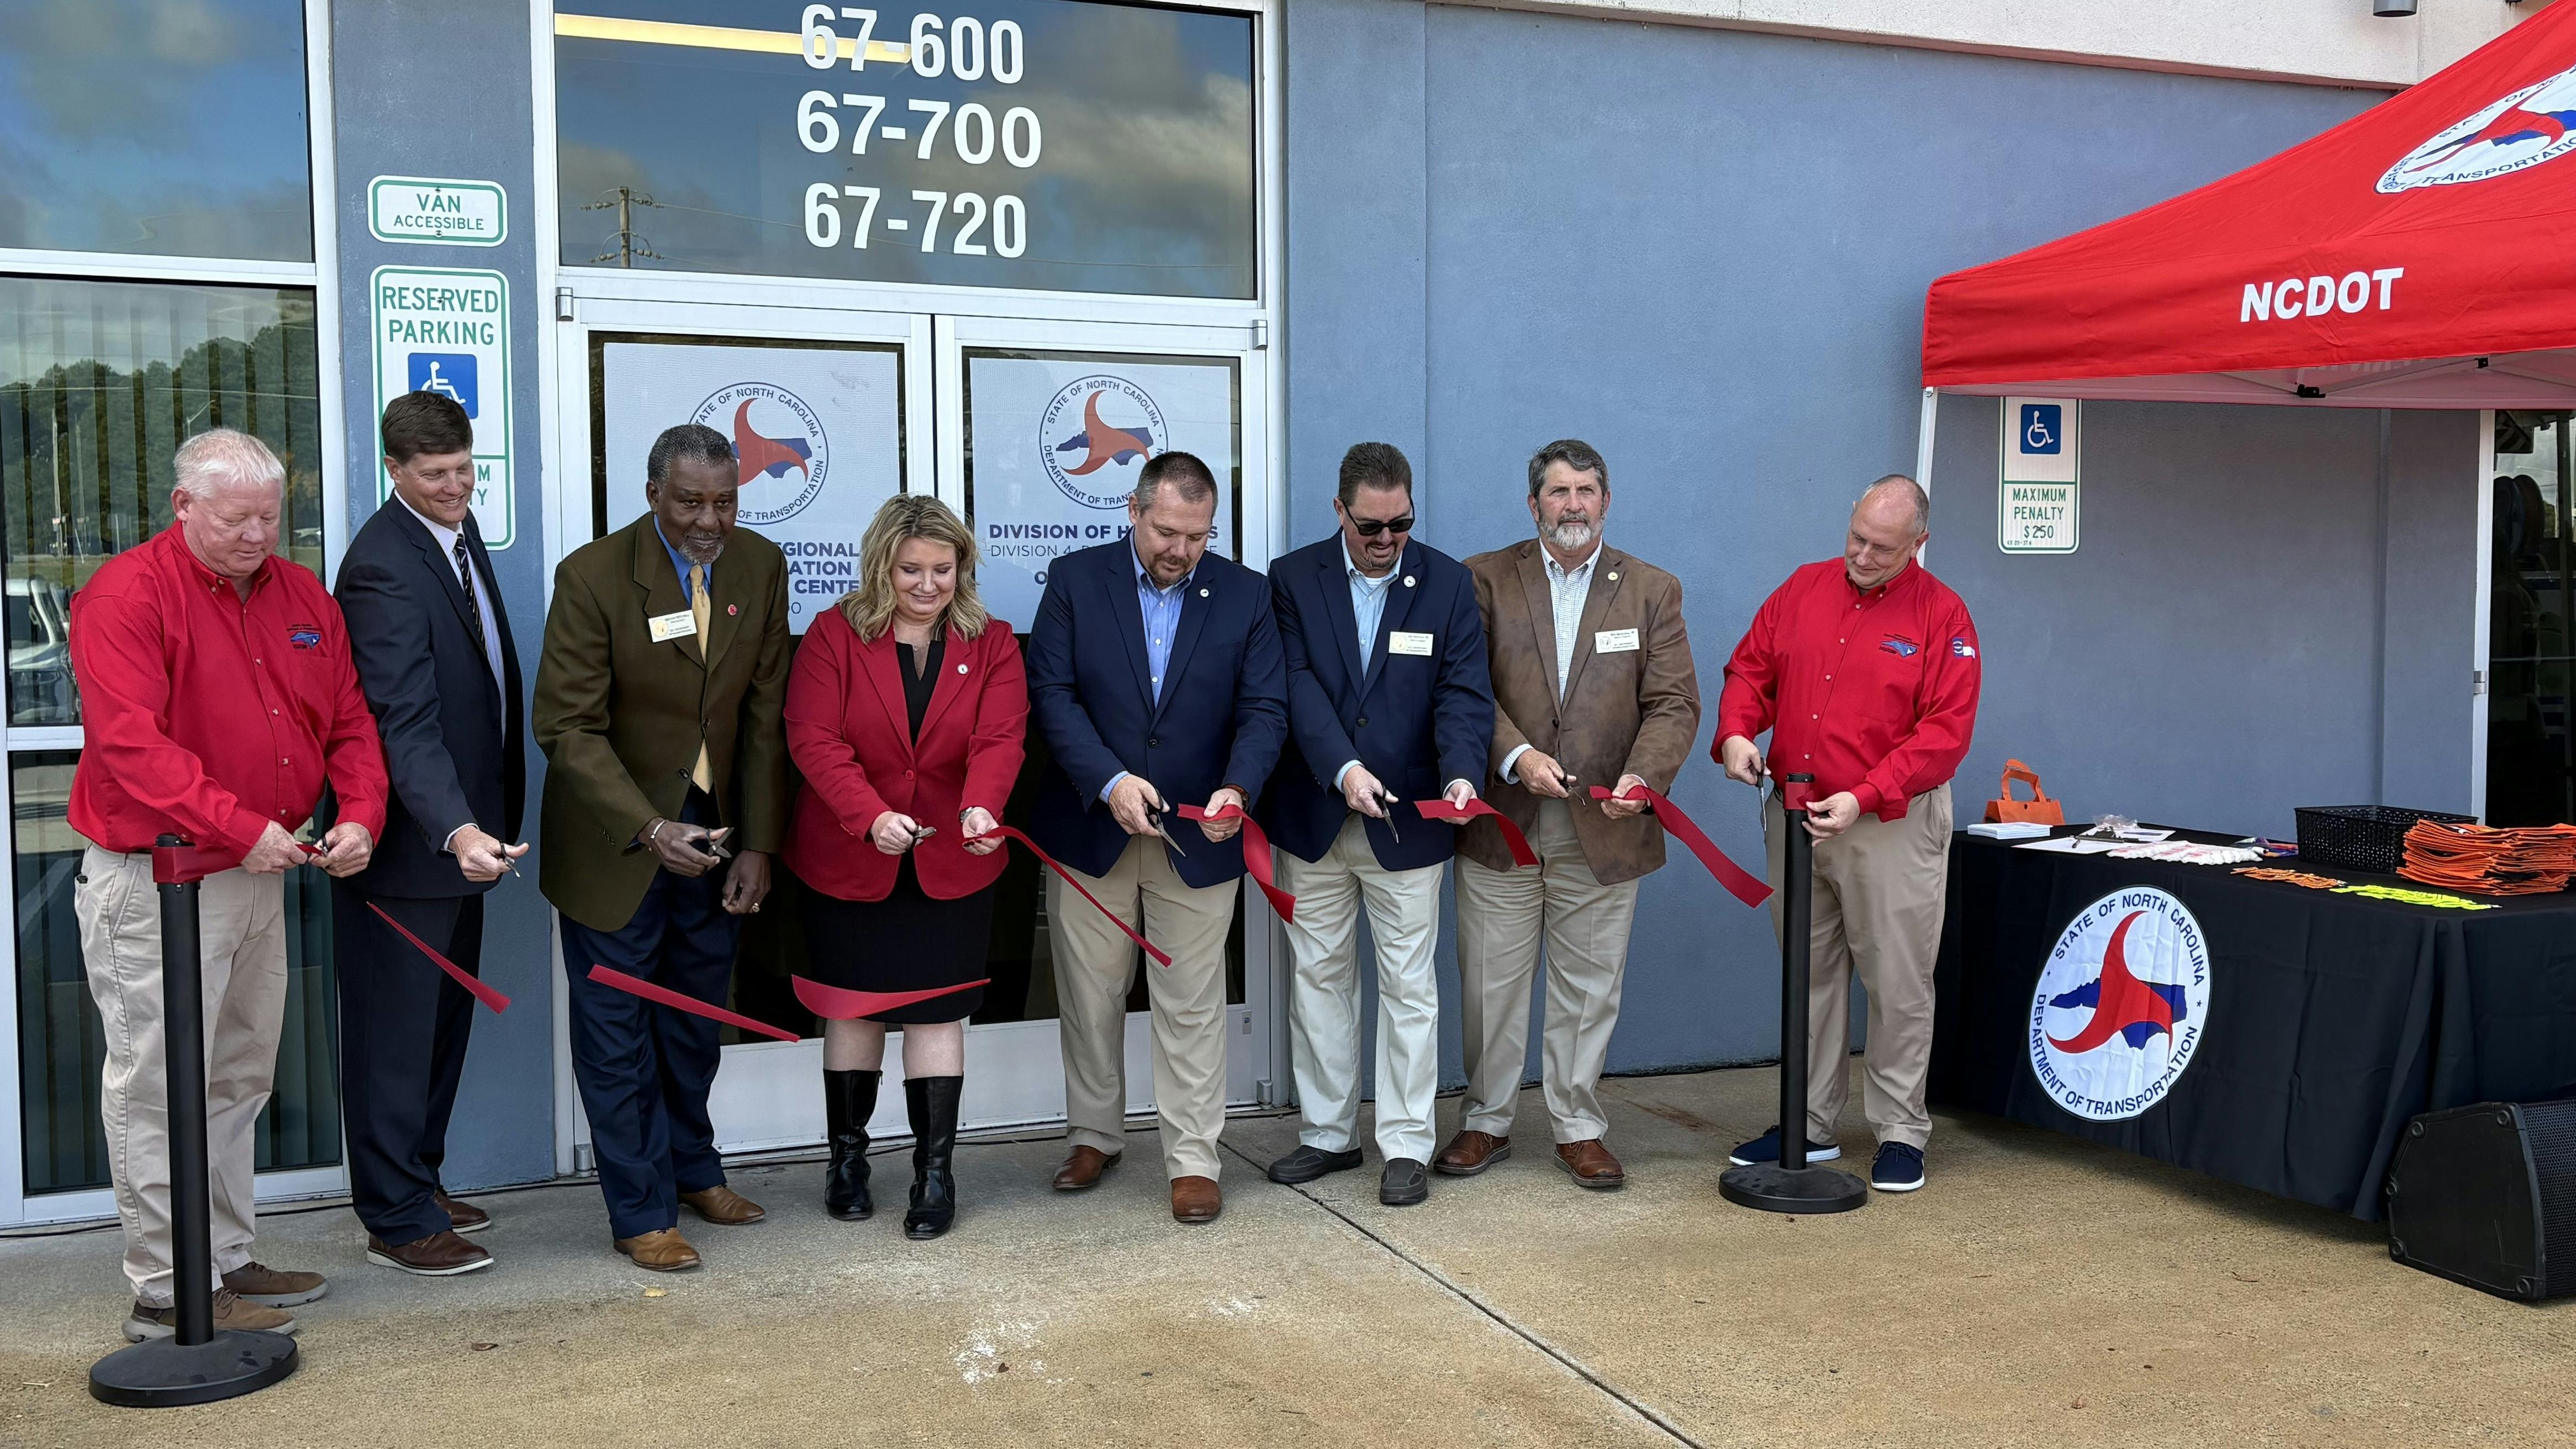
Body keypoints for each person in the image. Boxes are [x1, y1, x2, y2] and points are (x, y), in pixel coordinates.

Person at [67, 429, 387, 1342]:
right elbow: (131, 747)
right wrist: (240, 826)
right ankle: (169, 1291)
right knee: (156, 1084)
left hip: (259, 874)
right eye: (236, 517)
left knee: (237, 1075)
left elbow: (351, 721)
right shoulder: (127, 595)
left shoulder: (300, 595)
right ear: (183, 508)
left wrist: (360, 810)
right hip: (160, 881)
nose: (257, 535)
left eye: (270, 516)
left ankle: (227, 1253)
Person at [532, 422, 791, 1271]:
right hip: (619, 849)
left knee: (691, 1029)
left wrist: (757, 844)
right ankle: (640, 1209)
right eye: (691, 502)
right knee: (618, 1036)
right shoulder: (594, 577)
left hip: (713, 846)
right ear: (653, 495)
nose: (709, 520)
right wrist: (649, 827)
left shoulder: (758, 567)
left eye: (724, 500)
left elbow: (761, 717)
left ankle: (693, 1170)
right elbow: (566, 727)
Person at [1026, 451, 1288, 1224]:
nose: (1180, 550)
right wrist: (1110, 781)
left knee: (1192, 1004)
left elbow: (1265, 707)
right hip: (1091, 826)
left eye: (1197, 537)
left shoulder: (1246, 595)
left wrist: (1237, 788)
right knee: (1091, 995)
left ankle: (1194, 1158)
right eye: (1167, 531)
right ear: (1133, 511)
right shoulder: (1076, 580)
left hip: (1201, 835)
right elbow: (1053, 694)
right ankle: (1095, 1135)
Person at [1436, 439, 1699, 1191]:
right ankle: (1485, 1120)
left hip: (1607, 824)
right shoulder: (1482, 578)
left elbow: (1674, 701)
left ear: (1606, 501)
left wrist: (1644, 778)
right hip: (1505, 823)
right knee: (1490, 984)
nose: (1574, 504)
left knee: (1589, 988)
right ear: (1534, 505)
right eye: (1559, 492)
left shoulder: (1652, 589)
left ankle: (1578, 1126)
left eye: (1587, 490)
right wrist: (1516, 755)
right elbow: (1461, 690)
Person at [1714, 474, 1980, 1194]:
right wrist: (1738, 732)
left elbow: (1944, 736)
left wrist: (1864, 796)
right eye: (1856, 536)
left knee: (1896, 978)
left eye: (1882, 547)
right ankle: (1809, 1121)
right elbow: (1752, 670)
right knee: (1809, 974)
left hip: (1886, 823)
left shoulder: (1943, 617)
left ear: (1918, 545)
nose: (1861, 554)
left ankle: (1900, 1129)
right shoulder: (1803, 587)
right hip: (1795, 817)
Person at [784, 495, 1027, 1240]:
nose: (928, 585)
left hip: (954, 858)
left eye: (943, 569)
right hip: (853, 857)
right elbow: (815, 739)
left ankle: (934, 1173)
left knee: (937, 1012)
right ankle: (848, 1162)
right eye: (911, 569)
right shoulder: (833, 636)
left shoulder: (993, 643)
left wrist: (983, 807)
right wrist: (870, 818)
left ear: (963, 568)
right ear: (882, 567)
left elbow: (1000, 740)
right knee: (853, 1008)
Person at [1261, 442, 1491, 1207]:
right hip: (1317, 814)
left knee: (1408, 987)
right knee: (1320, 978)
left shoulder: (1449, 583)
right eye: (1370, 526)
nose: (1386, 540)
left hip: (1411, 826)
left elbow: (1463, 694)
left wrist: (1462, 773)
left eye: (1400, 524)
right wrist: (1345, 769)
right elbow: (1293, 687)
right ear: (1339, 512)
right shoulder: (1293, 579)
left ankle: (1404, 1143)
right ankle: (1329, 1135)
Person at [329, 393, 526, 1279]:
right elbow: (400, 721)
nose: (458, 487)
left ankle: (421, 1181)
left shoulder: (454, 533)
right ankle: (396, 1220)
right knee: (394, 1039)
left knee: (441, 1029)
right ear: (395, 471)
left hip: (465, 845)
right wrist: (454, 828)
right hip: (415, 851)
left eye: (465, 469)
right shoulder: (380, 564)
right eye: (438, 475)